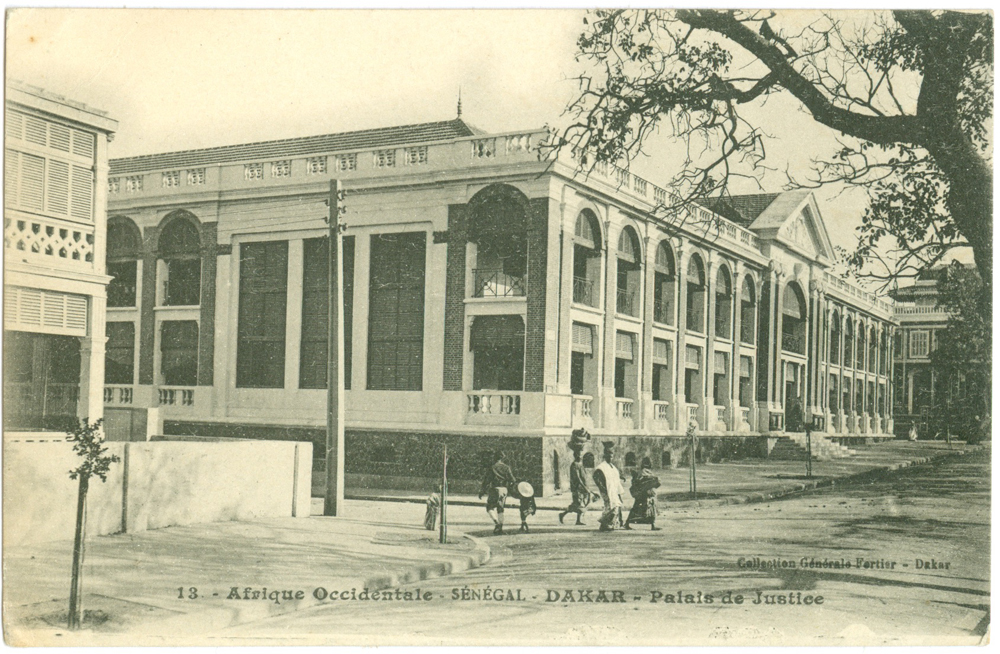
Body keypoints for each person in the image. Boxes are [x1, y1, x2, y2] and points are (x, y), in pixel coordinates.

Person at [478, 449, 517, 535]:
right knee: (501, 509)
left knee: (490, 507)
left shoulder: (492, 468)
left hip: (494, 489)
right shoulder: (507, 468)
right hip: (504, 490)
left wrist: (482, 491)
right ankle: (500, 527)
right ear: (502, 458)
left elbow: (486, 481)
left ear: (495, 458)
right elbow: (513, 480)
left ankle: (497, 523)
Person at [592, 441, 625, 532]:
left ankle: (608, 524)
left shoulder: (612, 467)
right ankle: (604, 525)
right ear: (605, 456)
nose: (610, 458)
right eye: (608, 456)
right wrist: (601, 487)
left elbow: (615, 477)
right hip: (606, 490)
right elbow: (596, 477)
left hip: (613, 490)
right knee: (610, 507)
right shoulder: (601, 467)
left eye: (611, 456)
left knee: (615, 506)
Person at [559, 441, 593, 525]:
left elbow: (583, 475)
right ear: (575, 456)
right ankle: (563, 514)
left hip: (582, 487)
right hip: (577, 487)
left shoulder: (580, 464)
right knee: (577, 504)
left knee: (581, 504)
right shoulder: (574, 465)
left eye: (580, 455)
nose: (580, 456)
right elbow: (578, 478)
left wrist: (587, 486)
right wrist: (585, 487)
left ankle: (578, 520)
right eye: (578, 455)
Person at [625, 457, 661, 531]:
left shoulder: (644, 471)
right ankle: (652, 525)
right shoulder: (644, 471)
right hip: (644, 493)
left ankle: (627, 523)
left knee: (638, 508)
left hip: (643, 493)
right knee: (649, 508)